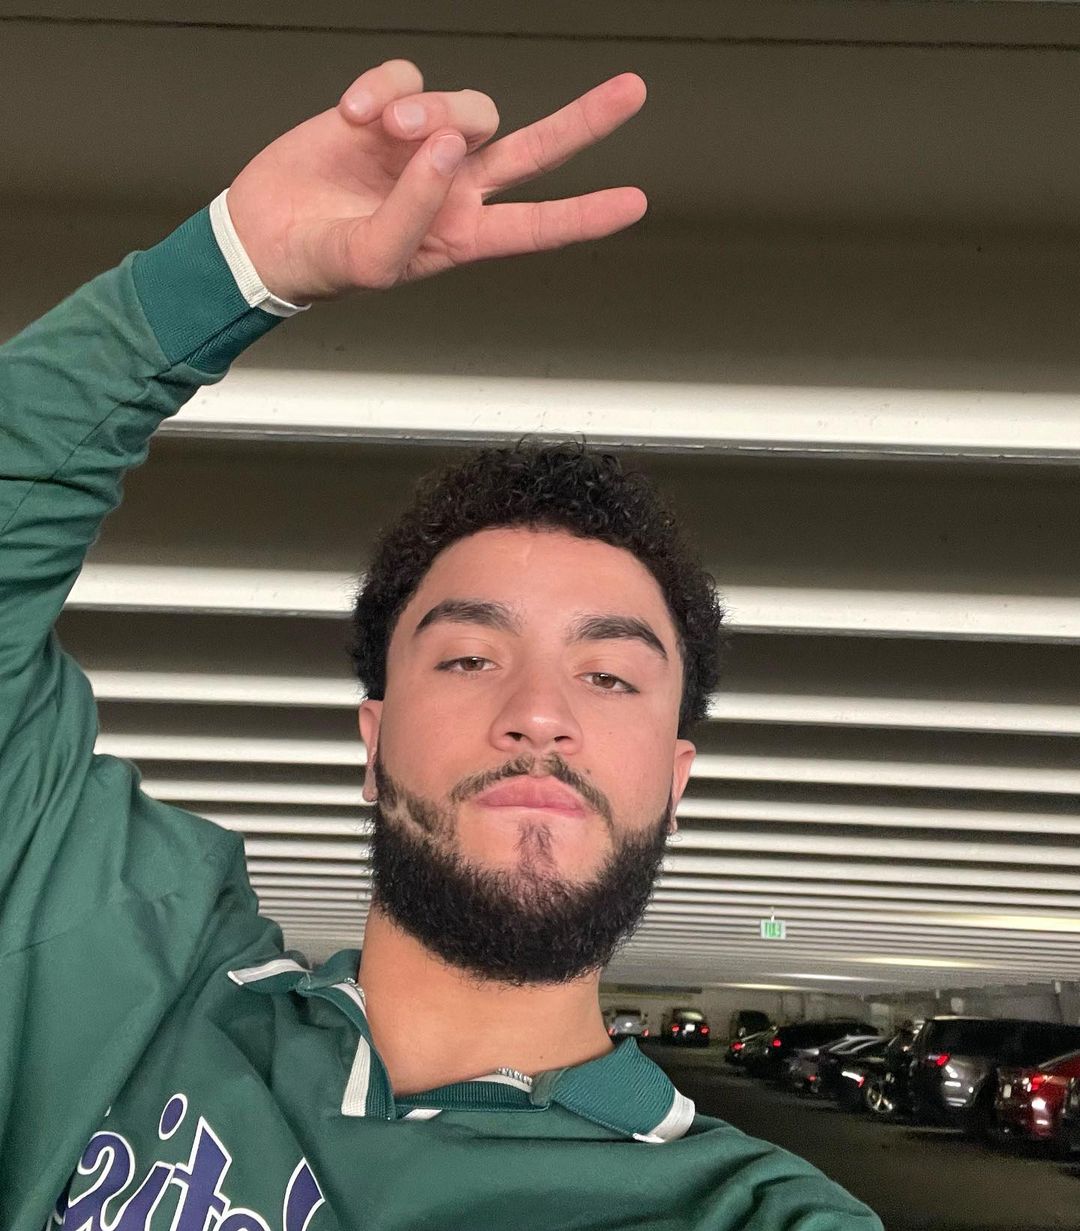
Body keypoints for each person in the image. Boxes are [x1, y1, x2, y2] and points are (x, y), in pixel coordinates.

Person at [0, 59, 882, 1230]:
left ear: (676, 780)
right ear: (373, 741)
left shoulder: (744, 1210)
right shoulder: (131, 960)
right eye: (469, 657)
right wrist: (226, 269)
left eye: (610, 675)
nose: (539, 712)